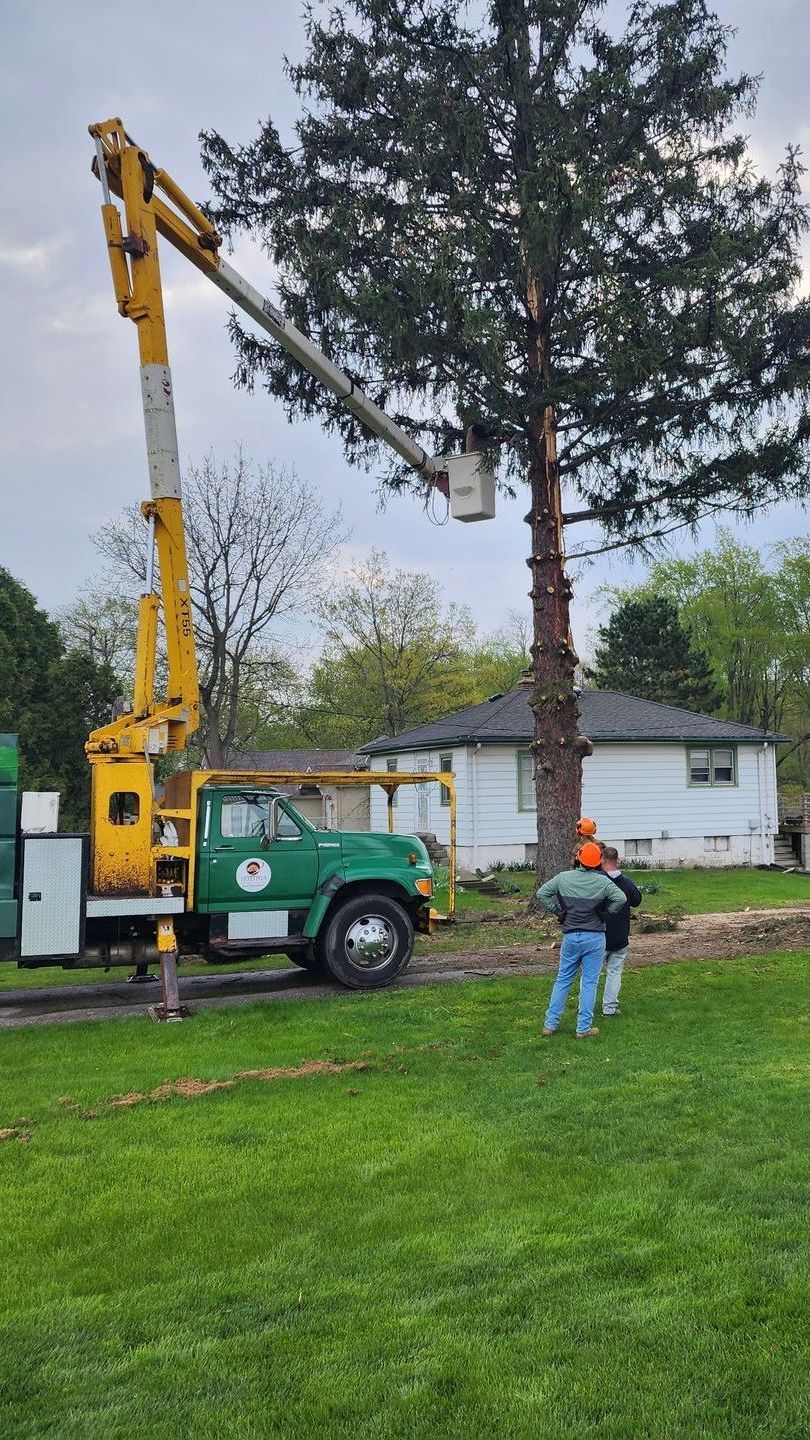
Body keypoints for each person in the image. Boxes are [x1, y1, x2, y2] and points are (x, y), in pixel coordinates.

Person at [535, 841, 628, 1039]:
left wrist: (559, 912)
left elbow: (542, 893)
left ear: (578, 858)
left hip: (570, 936)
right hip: (594, 937)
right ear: (599, 861)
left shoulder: (563, 878)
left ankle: (549, 1025)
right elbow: (621, 898)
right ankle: (583, 1028)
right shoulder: (602, 882)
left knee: (563, 979)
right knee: (589, 982)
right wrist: (606, 913)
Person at [599, 846, 642, 1018]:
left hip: (598, 935)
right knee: (614, 972)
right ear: (617, 860)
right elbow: (637, 900)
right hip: (619, 935)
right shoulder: (626, 882)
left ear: (601, 859)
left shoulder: (597, 881)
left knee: (590, 975)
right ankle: (609, 1009)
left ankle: (584, 1007)